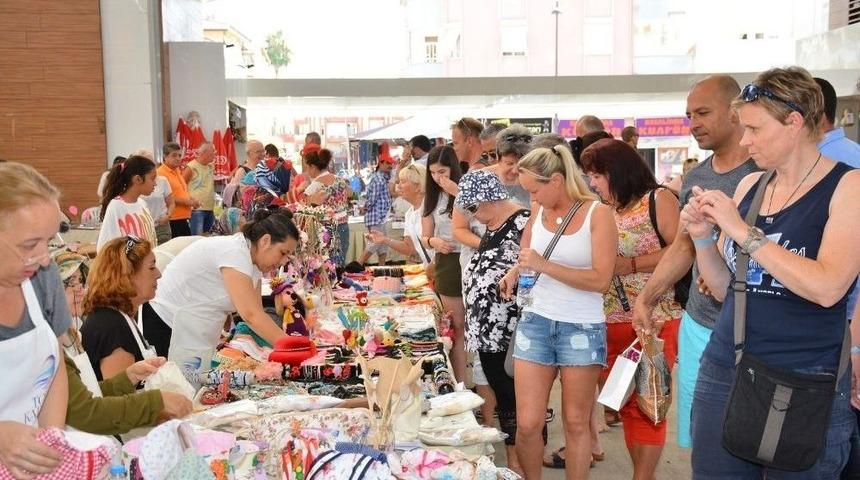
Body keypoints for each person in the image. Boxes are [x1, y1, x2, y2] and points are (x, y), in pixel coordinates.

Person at [669, 66, 860, 478]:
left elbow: (828, 287)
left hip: (806, 376)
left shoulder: (848, 187)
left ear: (794, 122)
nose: (745, 140)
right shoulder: (750, 187)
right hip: (729, 366)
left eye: (755, 129)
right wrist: (703, 238)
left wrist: (742, 231)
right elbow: (725, 290)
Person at [631, 74, 760, 450]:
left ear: (735, 113)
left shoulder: (765, 175)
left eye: (703, 112)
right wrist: (648, 297)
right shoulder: (698, 175)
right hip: (699, 324)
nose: (693, 123)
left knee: (749, 442)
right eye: (689, 114)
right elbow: (684, 246)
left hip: (751, 333)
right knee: (702, 441)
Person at [499, 145, 617, 480]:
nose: (531, 197)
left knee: (577, 423)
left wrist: (544, 266)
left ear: (555, 180)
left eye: (534, 190)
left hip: (581, 326)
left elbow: (601, 280)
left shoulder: (598, 214)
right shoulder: (537, 210)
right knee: (527, 423)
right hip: (536, 321)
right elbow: (527, 255)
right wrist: (513, 274)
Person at [581, 138, 682, 479]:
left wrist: (633, 264)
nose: (592, 183)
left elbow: (682, 250)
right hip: (610, 321)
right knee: (625, 404)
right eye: (589, 176)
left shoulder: (659, 199)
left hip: (654, 320)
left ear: (618, 170)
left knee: (649, 405)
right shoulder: (603, 209)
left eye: (597, 174)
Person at [56, 251, 192, 434]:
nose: (79, 288)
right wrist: (156, 402)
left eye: (80, 280)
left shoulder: (71, 334)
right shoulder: (108, 326)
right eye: (69, 283)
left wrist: (127, 377)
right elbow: (87, 412)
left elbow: (86, 391)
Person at [144, 208, 299, 369]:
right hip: (166, 322)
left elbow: (257, 312)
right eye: (283, 253)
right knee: (172, 383)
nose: (283, 261)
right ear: (265, 241)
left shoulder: (253, 263)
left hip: (192, 328)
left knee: (192, 382)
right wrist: (292, 347)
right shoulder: (235, 252)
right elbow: (251, 315)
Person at [458, 169, 530, 475]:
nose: (473, 215)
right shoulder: (493, 223)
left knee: (516, 400)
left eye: (473, 207)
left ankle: (519, 462)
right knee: (504, 397)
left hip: (508, 329)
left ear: (489, 197)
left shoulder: (523, 221)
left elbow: (530, 268)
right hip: (486, 328)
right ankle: (513, 460)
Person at [0, 162, 70, 478]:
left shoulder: (43, 278)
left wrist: (49, 446)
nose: (44, 257)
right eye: (30, 245)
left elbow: (53, 368)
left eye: (49, 241)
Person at [81, 237, 160, 381]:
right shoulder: (112, 327)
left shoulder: (118, 317)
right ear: (126, 275)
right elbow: (121, 399)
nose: (158, 274)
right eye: (151, 268)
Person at [421, 145, 467, 381]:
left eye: (442, 172)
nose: (438, 178)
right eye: (433, 172)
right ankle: (461, 383)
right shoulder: (431, 197)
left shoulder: (466, 189)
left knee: (474, 327)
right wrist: (434, 241)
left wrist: (458, 192)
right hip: (448, 262)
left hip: (472, 258)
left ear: (453, 169)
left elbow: (481, 218)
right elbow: (424, 237)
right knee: (457, 327)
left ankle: (477, 382)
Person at [368, 164, 431, 264]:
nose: (399, 186)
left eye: (403, 182)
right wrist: (385, 240)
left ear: (418, 186)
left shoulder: (432, 210)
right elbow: (410, 248)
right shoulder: (410, 214)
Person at [302, 145, 351, 266]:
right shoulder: (339, 180)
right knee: (339, 266)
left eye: (307, 167)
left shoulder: (315, 185)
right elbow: (351, 193)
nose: (306, 171)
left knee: (327, 267)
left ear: (313, 167)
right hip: (344, 227)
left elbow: (304, 207)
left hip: (325, 230)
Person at [97, 155, 158, 251]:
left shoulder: (142, 204)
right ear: (138, 179)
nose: (155, 183)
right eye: (152, 178)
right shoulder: (116, 206)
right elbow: (105, 247)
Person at [359, 154, 396, 266]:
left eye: (391, 163)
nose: (390, 166)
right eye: (388, 163)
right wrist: (366, 208)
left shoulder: (382, 178)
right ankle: (357, 264)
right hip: (376, 216)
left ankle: (381, 268)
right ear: (381, 163)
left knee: (382, 244)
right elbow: (373, 198)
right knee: (375, 242)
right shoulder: (379, 179)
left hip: (380, 216)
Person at [158, 142, 199, 238]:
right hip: (172, 219)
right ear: (165, 156)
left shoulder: (178, 170)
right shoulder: (160, 173)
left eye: (180, 155)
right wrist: (187, 202)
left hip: (183, 217)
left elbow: (182, 192)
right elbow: (165, 197)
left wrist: (192, 200)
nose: (178, 158)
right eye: (174, 155)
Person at [184, 142, 217, 235]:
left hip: (210, 208)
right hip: (196, 209)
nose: (216, 153)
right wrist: (190, 201)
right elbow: (182, 186)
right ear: (205, 152)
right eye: (213, 151)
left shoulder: (210, 166)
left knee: (209, 237)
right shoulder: (191, 167)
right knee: (196, 239)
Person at [141, 158, 175, 245]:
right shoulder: (136, 184)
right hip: (143, 228)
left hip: (161, 226)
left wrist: (167, 216)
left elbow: (171, 203)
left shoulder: (162, 180)